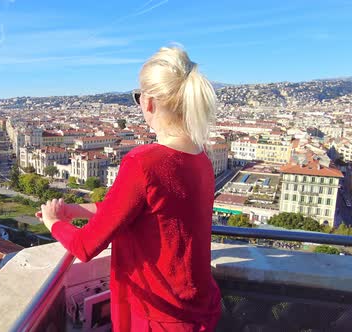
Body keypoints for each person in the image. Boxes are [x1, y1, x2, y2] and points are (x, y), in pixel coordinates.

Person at [37, 46, 221, 331]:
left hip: (158, 315)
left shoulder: (143, 162)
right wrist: (75, 210)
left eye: (138, 97)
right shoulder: (201, 158)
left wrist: (53, 222)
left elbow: (85, 247)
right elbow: (138, 209)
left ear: (148, 102)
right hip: (198, 308)